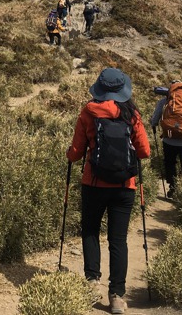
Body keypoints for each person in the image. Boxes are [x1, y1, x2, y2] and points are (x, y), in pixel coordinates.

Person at [67, 68, 150, 313]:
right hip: (125, 187)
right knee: (118, 240)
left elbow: (76, 153)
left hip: (94, 184)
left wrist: (69, 154)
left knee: (91, 231)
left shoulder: (88, 112)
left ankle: (92, 282)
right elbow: (144, 151)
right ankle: (116, 296)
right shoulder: (131, 113)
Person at [150, 82, 182, 198]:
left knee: (170, 164)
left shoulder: (164, 102)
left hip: (169, 140)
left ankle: (172, 188)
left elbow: (155, 120)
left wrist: (153, 124)